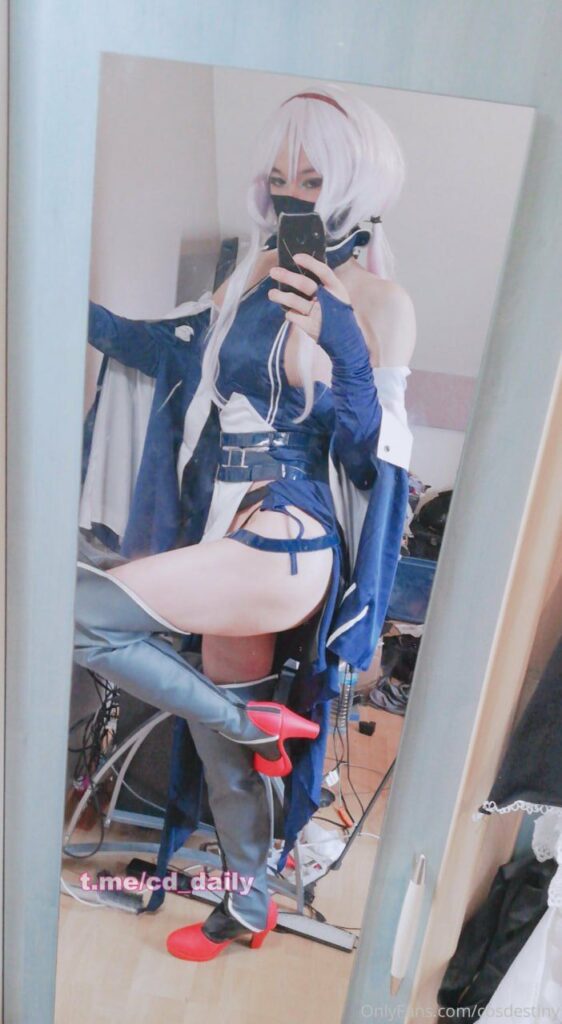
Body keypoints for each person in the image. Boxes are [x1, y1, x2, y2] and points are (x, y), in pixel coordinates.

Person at [75, 85, 416, 961]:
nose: (291, 194)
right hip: (230, 530)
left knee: (80, 613)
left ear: (357, 184)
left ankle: (253, 727)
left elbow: (371, 455)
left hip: (289, 529)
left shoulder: (381, 303)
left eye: (314, 178)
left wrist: (343, 342)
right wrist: (66, 305)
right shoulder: (255, 273)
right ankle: (247, 904)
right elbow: (171, 350)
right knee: (218, 731)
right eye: (280, 176)